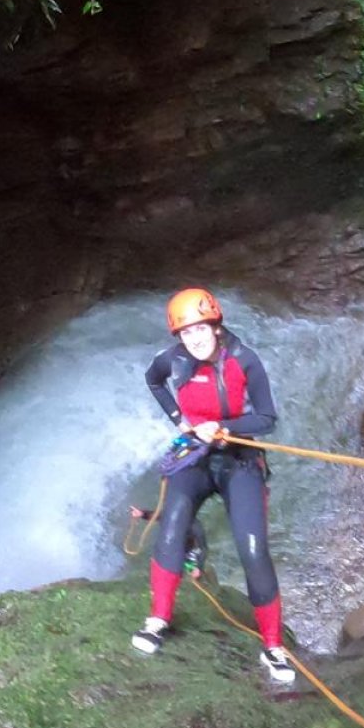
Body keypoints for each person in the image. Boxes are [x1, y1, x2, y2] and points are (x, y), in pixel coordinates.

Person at [133, 286, 295, 685]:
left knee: (252, 548)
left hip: (238, 459)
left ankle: (273, 646)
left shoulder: (244, 360)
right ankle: (158, 620)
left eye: (201, 329)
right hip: (194, 457)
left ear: (215, 326)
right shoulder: (171, 360)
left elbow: (267, 418)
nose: (196, 339)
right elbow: (153, 381)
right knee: (172, 527)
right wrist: (179, 420)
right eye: (187, 333)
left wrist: (224, 429)